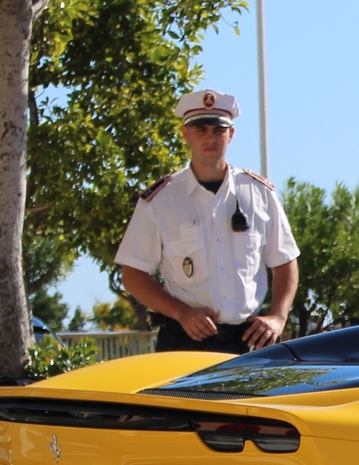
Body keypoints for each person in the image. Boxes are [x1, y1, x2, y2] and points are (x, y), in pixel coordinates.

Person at [114, 88, 299, 354]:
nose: (210, 138)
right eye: (200, 130)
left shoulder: (259, 193)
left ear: (231, 135)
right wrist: (181, 312)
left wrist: (278, 317)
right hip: (184, 341)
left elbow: (285, 262)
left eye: (218, 130)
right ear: (185, 134)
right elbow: (132, 273)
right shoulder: (161, 200)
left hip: (249, 341)